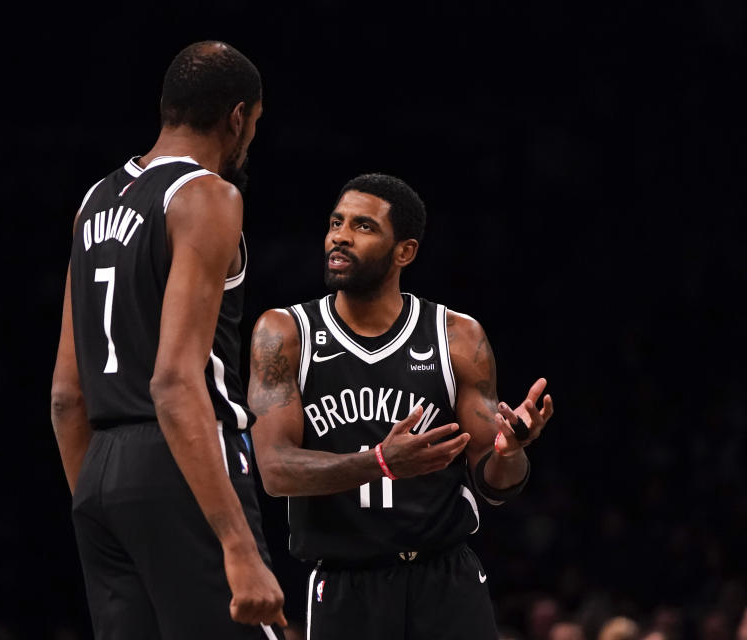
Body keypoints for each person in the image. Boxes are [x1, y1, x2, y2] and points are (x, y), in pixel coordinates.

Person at [247, 173, 554, 639]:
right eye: (336, 222)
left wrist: (511, 451)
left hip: (446, 580)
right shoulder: (285, 333)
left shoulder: (457, 336)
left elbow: (495, 486)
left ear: (404, 252)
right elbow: (274, 470)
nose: (340, 237)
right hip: (346, 585)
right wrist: (379, 462)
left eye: (363, 227)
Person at [50, 41, 285, 639]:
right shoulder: (206, 196)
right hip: (183, 458)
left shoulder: (92, 203)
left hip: (99, 469)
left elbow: (65, 396)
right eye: (253, 125)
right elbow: (175, 381)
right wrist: (238, 546)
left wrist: (103, 503)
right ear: (237, 117)